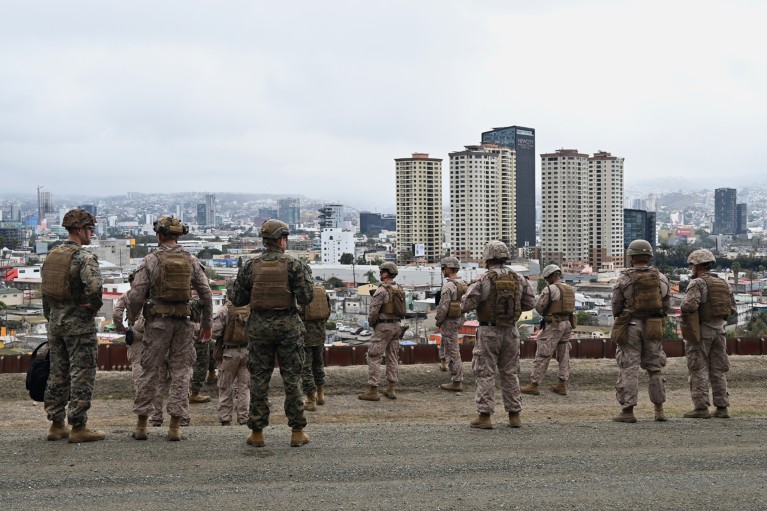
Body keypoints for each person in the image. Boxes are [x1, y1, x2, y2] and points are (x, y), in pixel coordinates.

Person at [128, 216, 213, 441]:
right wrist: (206, 324)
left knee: (149, 370)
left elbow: (136, 294)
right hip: (184, 323)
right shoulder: (191, 260)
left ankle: (141, 426)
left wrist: (132, 319)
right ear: (179, 235)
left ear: (159, 235)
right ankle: (175, 426)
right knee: (182, 372)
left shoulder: (151, 260)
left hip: (157, 324)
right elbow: (206, 293)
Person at [230, 219, 314, 447]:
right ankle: (297, 432)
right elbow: (306, 297)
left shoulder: (250, 266)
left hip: (259, 328)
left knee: (258, 379)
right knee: (292, 379)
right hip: (288, 327)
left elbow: (237, 299)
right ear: (281, 240)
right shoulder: (294, 265)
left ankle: (257, 433)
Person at [41, 209, 106, 443]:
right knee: (82, 373)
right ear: (79, 230)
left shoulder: (52, 255)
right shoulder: (84, 257)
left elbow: (46, 290)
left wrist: (50, 316)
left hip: (56, 323)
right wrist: (93, 306)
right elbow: (95, 287)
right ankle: (78, 426)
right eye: (89, 229)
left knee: (57, 372)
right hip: (79, 325)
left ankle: (56, 424)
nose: (91, 233)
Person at [460, 241, 535, 429]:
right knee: (510, 372)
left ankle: (485, 417)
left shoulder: (484, 279)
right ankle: (514, 415)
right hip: (511, 330)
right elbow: (530, 303)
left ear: (488, 258)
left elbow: (467, 304)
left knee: (485, 372)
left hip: (488, 331)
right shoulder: (519, 278)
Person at [611, 239, 670, 423]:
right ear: (649, 257)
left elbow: (615, 306)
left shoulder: (624, 279)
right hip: (654, 325)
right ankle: (659, 410)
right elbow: (667, 304)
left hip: (631, 326)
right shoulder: (661, 278)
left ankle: (628, 411)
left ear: (632, 257)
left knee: (629, 368)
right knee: (655, 368)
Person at [680, 249, 736, 419]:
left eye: (692, 266)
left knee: (698, 367)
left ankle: (701, 407)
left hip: (702, 331)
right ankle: (722, 407)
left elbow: (688, 306)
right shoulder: (724, 284)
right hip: (720, 330)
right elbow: (732, 308)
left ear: (697, 265)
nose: (691, 269)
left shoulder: (698, 283)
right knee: (718, 369)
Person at [113, 271, 164, 426]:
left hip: (135, 339)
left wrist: (122, 329)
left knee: (139, 375)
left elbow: (116, 313)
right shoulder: (152, 296)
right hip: (154, 338)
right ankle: (157, 415)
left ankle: (143, 414)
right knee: (156, 377)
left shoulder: (127, 296)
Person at [521, 264, 574, 396]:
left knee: (543, 352)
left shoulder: (550, 289)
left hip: (555, 324)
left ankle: (534, 384)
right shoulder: (569, 288)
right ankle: (561, 384)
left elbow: (540, 307)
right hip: (567, 323)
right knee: (564, 353)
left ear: (550, 276)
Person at [358, 262, 406, 402]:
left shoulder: (381, 290)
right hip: (397, 326)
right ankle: (391, 389)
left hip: (383, 327)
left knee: (373, 356)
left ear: (386, 273)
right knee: (392, 357)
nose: (380, 274)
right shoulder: (399, 288)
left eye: (381, 272)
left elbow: (373, 311)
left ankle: (373, 390)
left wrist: (373, 324)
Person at [211, 293, 250, 426]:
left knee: (225, 386)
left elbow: (215, 333)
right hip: (246, 352)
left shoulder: (224, 309)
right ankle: (243, 418)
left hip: (229, 353)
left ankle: (225, 419)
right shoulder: (249, 309)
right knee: (244, 388)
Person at [435, 257, 467, 392]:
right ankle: (443, 362)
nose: (442, 270)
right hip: (459, 318)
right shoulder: (463, 283)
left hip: (450, 320)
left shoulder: (448, 286)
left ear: (449, 268)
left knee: (452, 350)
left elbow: (443, 307)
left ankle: (457, 380)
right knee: (447, 342)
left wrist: (438, 320)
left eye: (443, 268)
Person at [300, 284, 331, 411]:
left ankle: (310, 399)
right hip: (320, 334)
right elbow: (328, 312)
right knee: (318, 364)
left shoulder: (301, 291)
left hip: (305, 335)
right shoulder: (321, 291)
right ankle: (320, 394)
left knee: (306, 368)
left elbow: (298, 312)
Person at [188, 295, 212, 404]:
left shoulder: (181, 299)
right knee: (201, 363)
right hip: (198, 335)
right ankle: (194, 393)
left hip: (184, 334)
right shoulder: (199, 300)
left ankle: (185, 392)